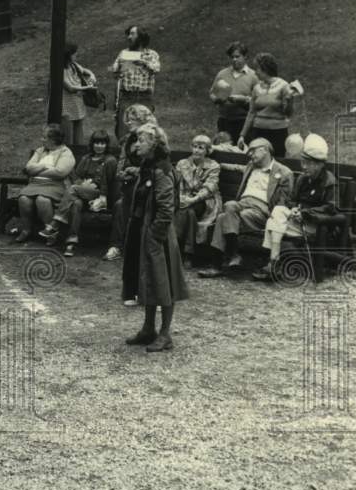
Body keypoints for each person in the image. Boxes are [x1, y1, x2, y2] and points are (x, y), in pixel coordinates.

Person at [122, 124, 189, 352]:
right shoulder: (147, 165)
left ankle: (165, 334)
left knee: (164, 282)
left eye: (141, 140)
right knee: (148, 280)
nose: (136, 144)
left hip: (157, 235)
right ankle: (148, 328)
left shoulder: (161, 170)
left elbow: (166, 209)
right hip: (144, 230)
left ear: (153, 144)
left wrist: (154, 236)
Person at [198, 137, 294, 278]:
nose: (249, 154)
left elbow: (283, 202)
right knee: (228, 209)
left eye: (253, 151)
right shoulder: (250, 166)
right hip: (240, 207)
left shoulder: (284, 173)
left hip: (260, 211)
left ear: (265, 150)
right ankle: (233, 254)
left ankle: (219, 263)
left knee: (222, 217)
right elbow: (236, 167)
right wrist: (218, 162)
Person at [253, 133, 336, 281]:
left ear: (319, 164)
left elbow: (330, 208)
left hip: (316, 224)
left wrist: (305, 213)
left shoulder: (329, 181)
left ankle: (273, 264)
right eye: (303, 162)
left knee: (273, 223)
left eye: (308, 164)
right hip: (297, 221)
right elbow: (291, 200)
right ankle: (274, 261)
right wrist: (293, 209)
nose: (303, 167)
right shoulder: (303, 179)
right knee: (278, 211)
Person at [39, 129, 119, 257]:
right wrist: (83, 184)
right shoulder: (87, 158)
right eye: (96, 143)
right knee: (76, 204)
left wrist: (95, 192)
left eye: (102, 143)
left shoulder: (110, 160)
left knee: (73, 189)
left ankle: (55, 223)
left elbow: (109, 183)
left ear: (106, 145)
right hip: (82, 192)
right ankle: (71, 243)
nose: (99, 146)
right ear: (92, 144)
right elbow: (76, 176)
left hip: (99, 196)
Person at [102, 104, 158, 262]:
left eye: (132, 119)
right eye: (127, 119)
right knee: (121, 204)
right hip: (130, 185)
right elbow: (122, 162)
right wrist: (122, 173)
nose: (128, 122)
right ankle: (116, 246)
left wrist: (135, 171)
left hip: (150, 186)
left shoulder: (154, 138)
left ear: (143, 120)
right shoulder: (127, 139)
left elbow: (156, 169)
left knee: (132, 202)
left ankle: (138, 248)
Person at [14, 124, 76, 243]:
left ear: (53, 140)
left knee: (43, 200)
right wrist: (44, 166)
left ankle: (51, 233)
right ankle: (26, 230)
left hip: (56, 186)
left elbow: (60, 172)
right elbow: (28, 168)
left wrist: (37, 170)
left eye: (44, 137)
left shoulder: (65, 153)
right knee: (23, 199)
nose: (41, 140)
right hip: (35, 184)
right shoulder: (40, 150)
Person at [173, 134, 222, 267]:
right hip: (185, 200)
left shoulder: (213, 166)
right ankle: (188, 252)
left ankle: (176, 250)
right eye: (194, 147)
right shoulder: (182, 164)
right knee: (188, 212)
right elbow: (178, 185)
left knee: (188, 209)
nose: (196, 150)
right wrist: (182, 198)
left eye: (201, 148)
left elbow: (209, 188)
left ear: (207, 151)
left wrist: (193, 199)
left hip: (205, 201)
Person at [238, 52, 295, 158]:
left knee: (277, 162)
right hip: (258, 132)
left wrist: (289, 101)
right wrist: (242, 135)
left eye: (257, 69)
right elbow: (251, 113)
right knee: (257, 160)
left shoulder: (284, 86)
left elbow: (288, 113)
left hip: (277, 133)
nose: (255, 73)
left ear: (265, 69)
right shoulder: (256, 88)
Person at [110, 25, 160, 139]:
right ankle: (124, 155)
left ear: (141, 37)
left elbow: (156, 69)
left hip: (144, 98)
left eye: (132, 34)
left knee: (146, 132)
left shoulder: (152, 54)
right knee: (124, 132)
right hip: (127, 97)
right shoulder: (123, 53)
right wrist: (118, 67)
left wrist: (143, 62)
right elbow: (114, 72)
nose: (129, 37)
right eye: (128, 34)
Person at [208, 41, 258, 144]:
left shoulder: (253, 76)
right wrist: (217, 99)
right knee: (224, 150)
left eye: (237, 56)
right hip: (224, 120)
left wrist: (244, 100)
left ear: (245, 57)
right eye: (232, 57)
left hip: (244, 121)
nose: (234, 59)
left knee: (243, 151)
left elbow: (258, 100)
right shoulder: (222, 74)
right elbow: (212, 93)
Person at [59, 43, 96, 146]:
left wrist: (92, 76)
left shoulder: (73, 65)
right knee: (68, 139)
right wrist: (88, 88)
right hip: (66, 108)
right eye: (74, 54)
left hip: (77, 106)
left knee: (79, 138)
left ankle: (79, 155)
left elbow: (85, 71)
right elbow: (70, 88)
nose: (76, 55)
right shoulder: (60, 70)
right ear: (67, 55)